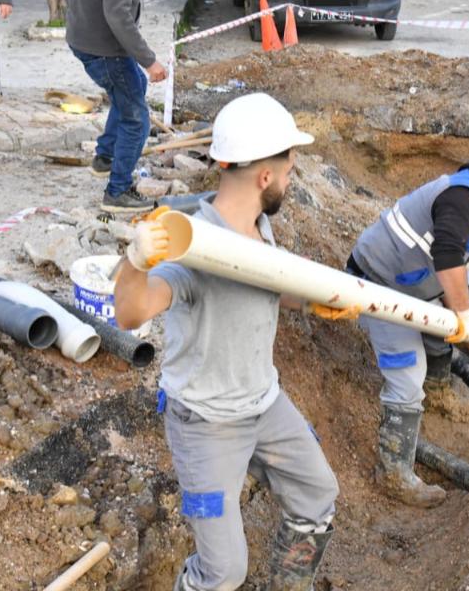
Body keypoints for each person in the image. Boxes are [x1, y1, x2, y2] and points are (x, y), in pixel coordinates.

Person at [115, 93, 340, 590]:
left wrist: (310, 302)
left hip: (263, 402)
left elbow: (262, 283)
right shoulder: (196, 248)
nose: (290, 179)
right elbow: (131, 312)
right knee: (223, 572)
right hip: (207, 423)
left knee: (317, 495)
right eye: (288, 170)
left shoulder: (259, 227)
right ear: (265, 177)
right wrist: (135, 262)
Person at [346, 136, 469, 507]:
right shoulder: (461, 197)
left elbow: (459, 267)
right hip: (377, 283)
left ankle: (436, 393)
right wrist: (464, 316)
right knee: (408, 372)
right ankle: (394, 474)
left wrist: (459, 315)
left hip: (412, 288)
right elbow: (448, 255)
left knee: (440, 336)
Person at [65, 0, 171, 212]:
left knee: (131, 88)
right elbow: (118, 14)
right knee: (137, 119)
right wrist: (149, 60)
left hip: (83, 39)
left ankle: (105, 156)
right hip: (106, 49)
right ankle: (118, 192)